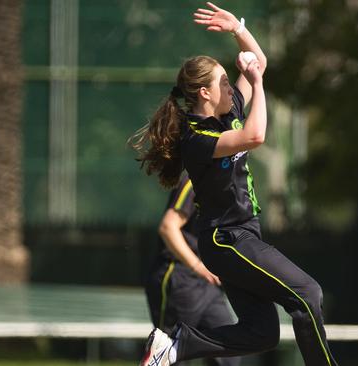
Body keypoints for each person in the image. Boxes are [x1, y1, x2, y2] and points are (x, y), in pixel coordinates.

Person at [129, 2, 339, 365]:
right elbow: (256, 136)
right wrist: (256, 84)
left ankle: (177, 346)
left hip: (243, 236)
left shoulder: (229, 111)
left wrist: (237, 30)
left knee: (262, 333)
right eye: (224, 82)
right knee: (308, 294)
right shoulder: (196, 136)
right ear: (204, 93)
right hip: (226, 238)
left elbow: (259, 59)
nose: (231, 86)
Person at [145, 172, 240, 366]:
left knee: (229, 353)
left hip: (207, 284)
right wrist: (198, 266)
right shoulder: (195, 179)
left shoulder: (231, 179)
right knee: (167, 355)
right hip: (178, 277)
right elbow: (168, 227)